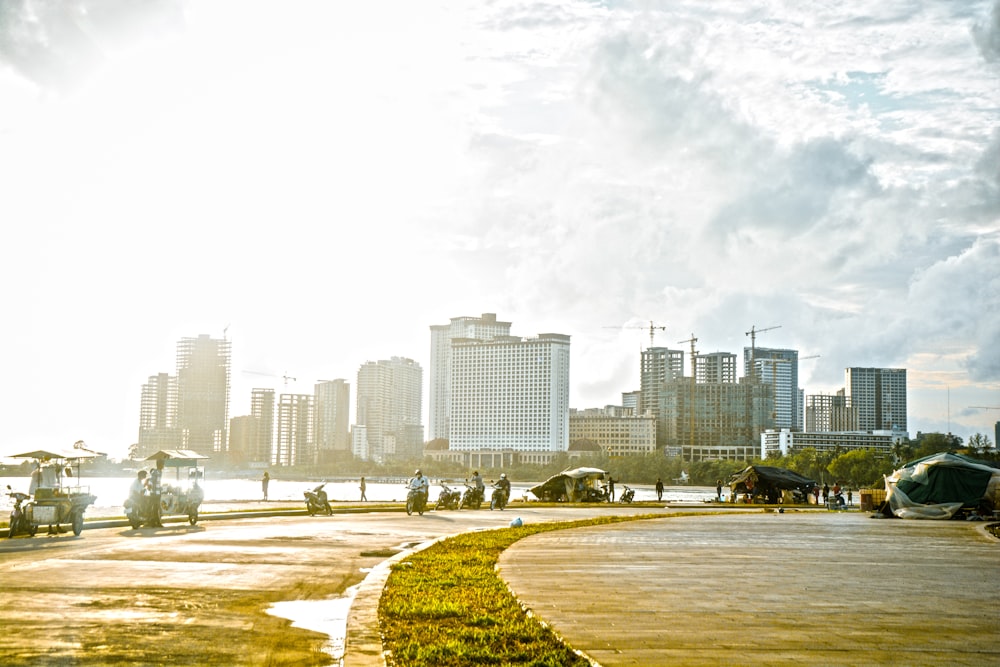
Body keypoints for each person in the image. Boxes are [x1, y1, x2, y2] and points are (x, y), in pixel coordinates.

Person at [149, 459, 164, 527]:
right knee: (155, 508)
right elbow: (151, 481)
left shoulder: (160, 472)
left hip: (158, 493)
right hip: (154, 493)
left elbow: (158, 483)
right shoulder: (155, 472)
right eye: (162, 464)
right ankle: (155, 522)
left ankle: (156, 522)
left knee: (156, 508)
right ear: (160, 465)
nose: (163, 466)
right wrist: (150, 486)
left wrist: (161, 488)